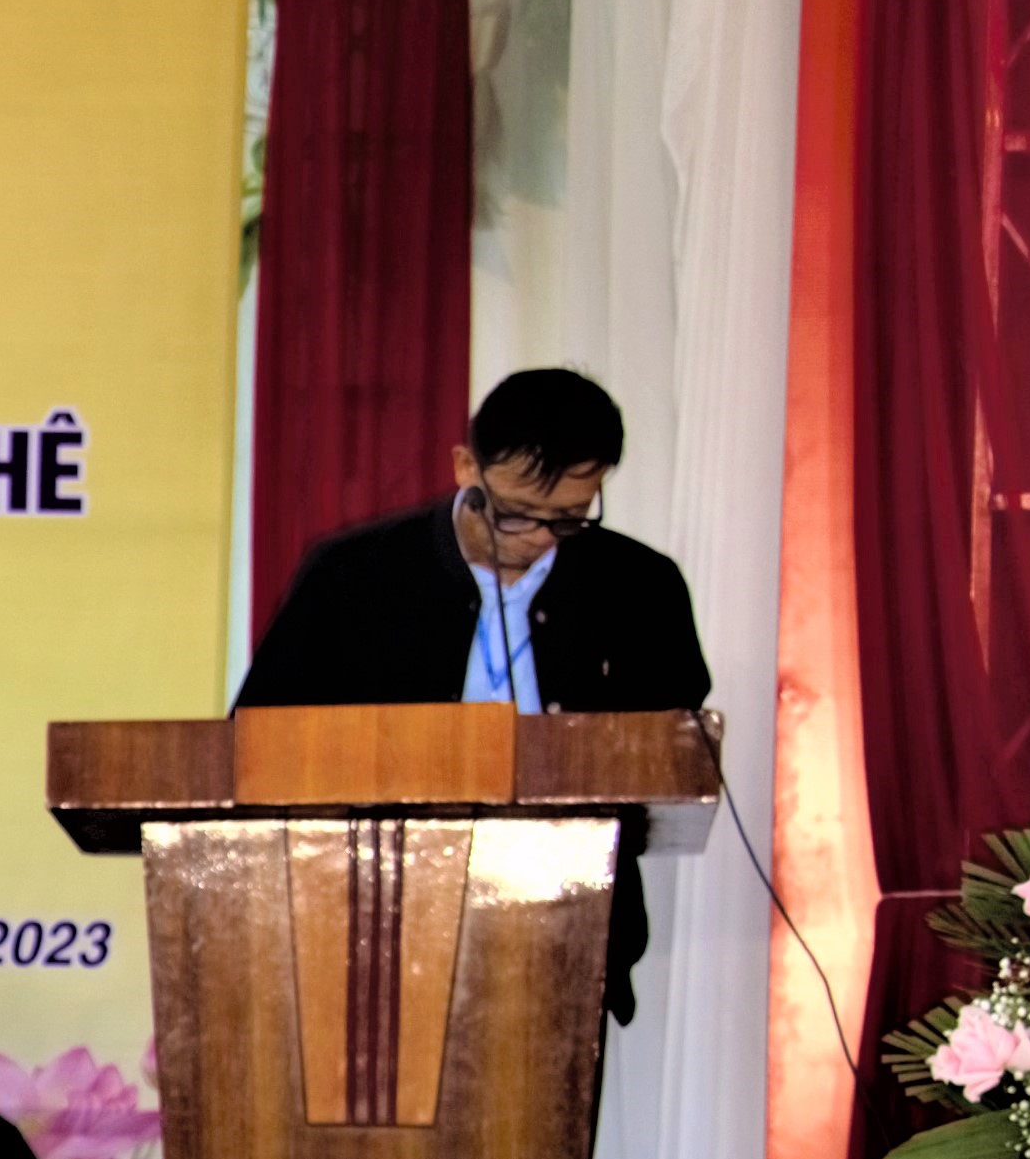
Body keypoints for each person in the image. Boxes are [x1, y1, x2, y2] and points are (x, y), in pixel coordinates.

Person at [237, 365, 711, 1017]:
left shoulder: (639, 587)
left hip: (564, 928)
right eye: (515, 512)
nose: (539, 536)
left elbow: (674, 745)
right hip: (370, 921)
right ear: (466, 467)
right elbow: (261, 737)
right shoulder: (352, 575)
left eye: (569, 517)